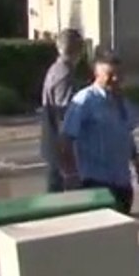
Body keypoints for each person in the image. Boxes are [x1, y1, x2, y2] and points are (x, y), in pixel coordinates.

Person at [57, 49, 139, 215]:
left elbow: (126, 134)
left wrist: (138, 164)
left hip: (121, 179)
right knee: (103, 233)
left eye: (119, 75)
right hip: (95, 180)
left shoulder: (121, 101)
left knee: (123, 228)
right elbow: (66, 138)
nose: (116, 79)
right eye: (110, 75)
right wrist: (71, 175)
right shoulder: (84, 100)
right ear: (97, 74)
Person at [40, 29, 84, 193]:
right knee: (59, 187)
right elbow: (64, 112)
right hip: (59, 140)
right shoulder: (65, 73)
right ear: (78, 49)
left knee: (55, 183)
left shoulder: (55, 68)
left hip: (53, 137)